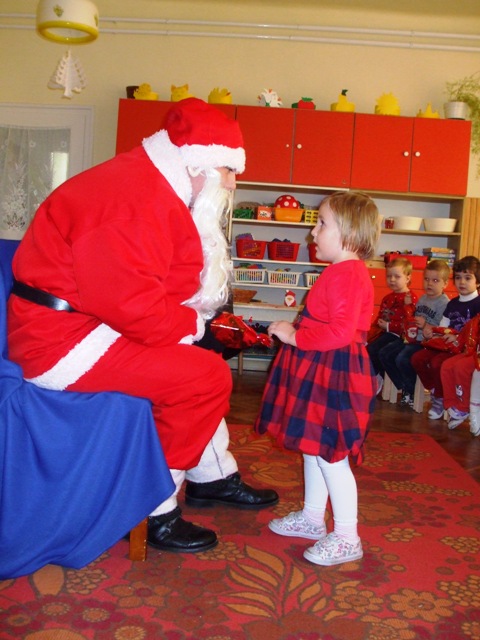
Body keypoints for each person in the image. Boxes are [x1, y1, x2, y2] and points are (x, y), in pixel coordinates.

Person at [7, 97, 278, 555]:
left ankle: (212, 475)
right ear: (198, 163)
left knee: (197, 362)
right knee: (205, 378)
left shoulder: (149, 183)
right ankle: (153, 508)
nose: (234, 182)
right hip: (60, 341)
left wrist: (193, 326)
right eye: (229, 169)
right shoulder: (132, 199)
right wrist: (194, 326)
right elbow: (132, 306)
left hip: (83, 322)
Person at [254, 191, 380, 566]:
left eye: (322, 223)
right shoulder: (340, 271)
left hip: (334, 371)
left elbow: (340, 332)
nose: (313, 232)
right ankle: (312, 518)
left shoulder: (348, 273)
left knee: (330, 453)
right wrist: (296, 332)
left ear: (350, 233)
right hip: (322, 366)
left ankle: (347, 536)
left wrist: (294, 336)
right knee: (314, 446)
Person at [411, 255, 480, 424]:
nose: (461, 282)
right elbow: (442, 327)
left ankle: (441, 397)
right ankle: (436, 389)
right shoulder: (452, 304)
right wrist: (433, 333)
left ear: (478, 282)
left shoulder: (478, 304)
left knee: (438, 364)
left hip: (465, 349)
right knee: (417, 358)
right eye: (458, 277)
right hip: (447, 346)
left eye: (467, 278)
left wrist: (457, 337)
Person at [378, 259, 450, 407]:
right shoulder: (423, 298)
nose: (429, 284)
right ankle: (403, 386)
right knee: (384, 353)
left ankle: (410, 390)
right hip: (412, 338)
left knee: (402, 358)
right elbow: (411, 319)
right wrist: (408, 307)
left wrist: (425, 325)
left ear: (445, 284)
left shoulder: (444, 303)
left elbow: (441, 329)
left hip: (426, 343)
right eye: (426, 279)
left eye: (435, 280)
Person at [366, 257, 418, 394]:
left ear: (407, 278)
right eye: (389, 276)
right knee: (367, 347)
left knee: (376, 350)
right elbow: (380, 317)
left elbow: (410, 322)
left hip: (399, 335)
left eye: (397, 276)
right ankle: (376, 374)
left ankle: (382, 378)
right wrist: (371, 333)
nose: (392, 280)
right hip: (385, 332)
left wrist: (389, 326)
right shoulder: (387, 298)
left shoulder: (410, 298)